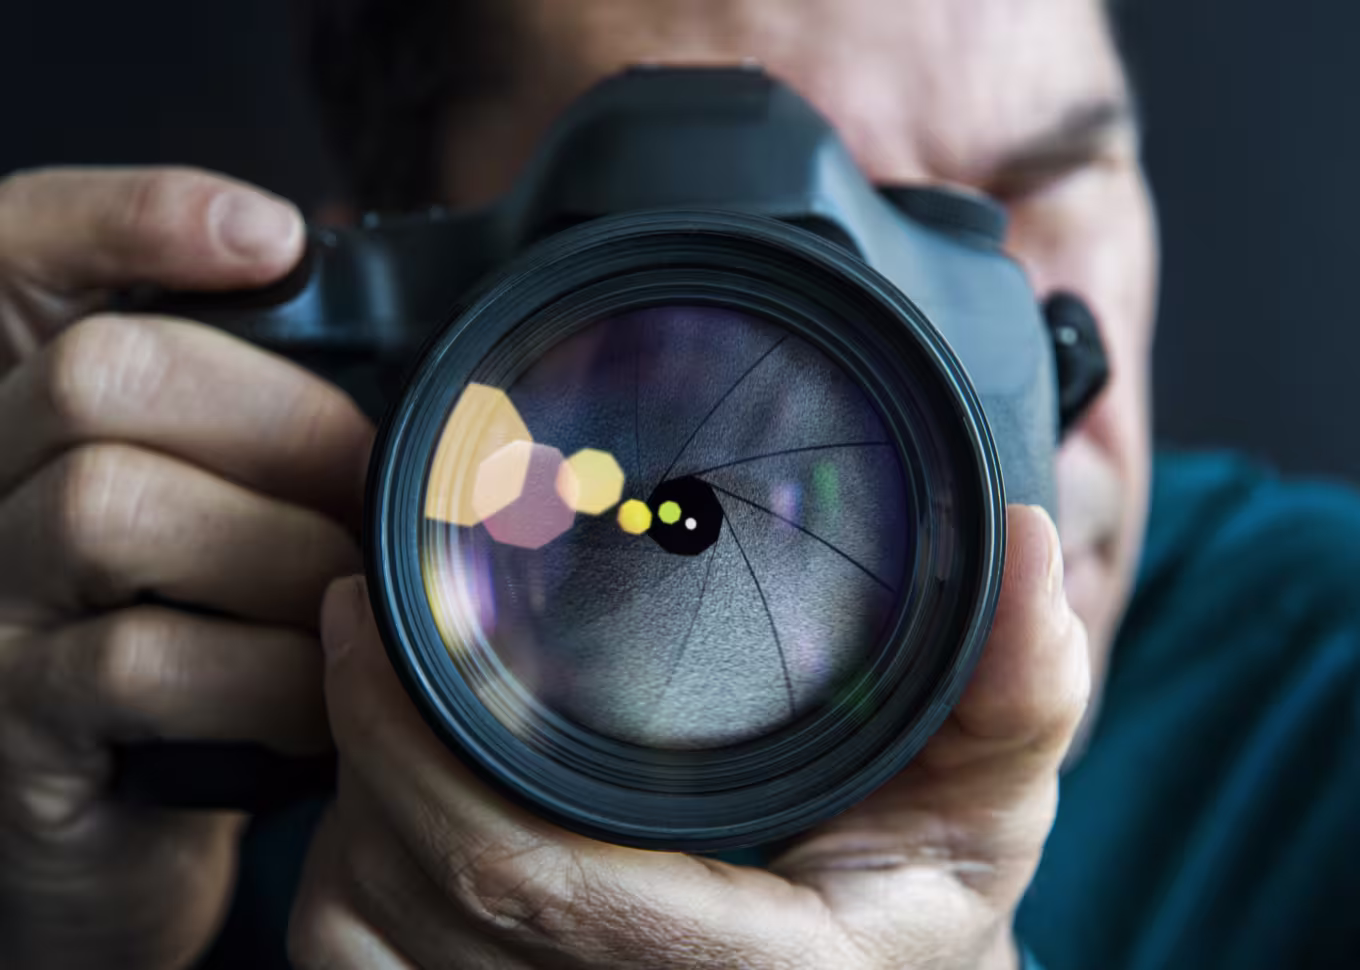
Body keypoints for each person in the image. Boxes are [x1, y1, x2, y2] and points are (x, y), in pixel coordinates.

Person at [1, 0, 1356, 967]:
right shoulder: (178, 725)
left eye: (1027, 189)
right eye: (750, 260)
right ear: (428, 320)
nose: (901, 362)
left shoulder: (1325, 697)